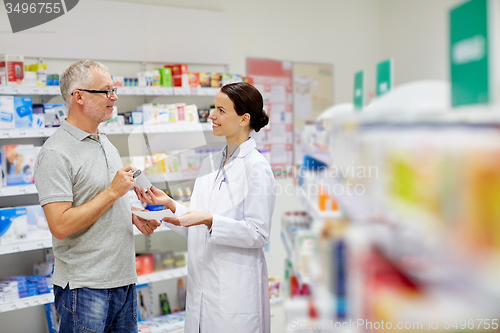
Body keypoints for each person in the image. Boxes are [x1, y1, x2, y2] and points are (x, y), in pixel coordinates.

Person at [135, 82, 276, 333]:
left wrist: (211, 221)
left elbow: (258, 233)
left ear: (244, 118)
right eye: (214, 108)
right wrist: (169, 205)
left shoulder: (256, 167)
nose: (212, 115)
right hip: (202, 292)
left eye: (221, 110)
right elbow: (198, 223)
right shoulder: (210, 162)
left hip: (233, 296)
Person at [34, 60, 161, 332]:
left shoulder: (104, 141)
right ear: (78, 96)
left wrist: (132, 216)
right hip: (85, 287)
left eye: (113, 90)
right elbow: (61, 225)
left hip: (123, 280)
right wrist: (113, 191)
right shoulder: (55, 153)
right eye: (106, 91)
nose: (114, 97)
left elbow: (100, 201)